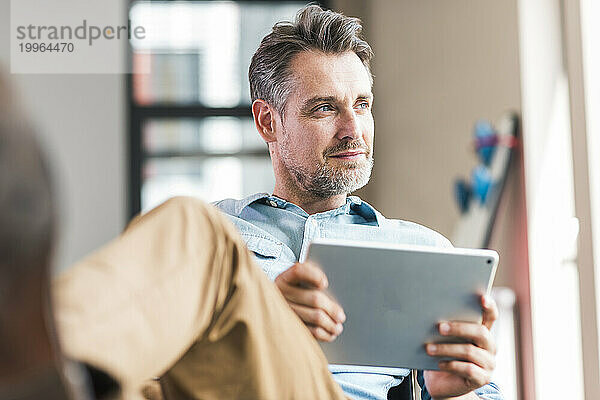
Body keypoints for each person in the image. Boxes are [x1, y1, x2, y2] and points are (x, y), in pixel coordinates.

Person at [214, 5, 502, 400]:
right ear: (268, 122)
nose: (353, 130)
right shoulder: (212, 233)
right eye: (325, 108)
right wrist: (260, 322)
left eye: (362, 105)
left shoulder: (426, 253)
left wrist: (448, 394)